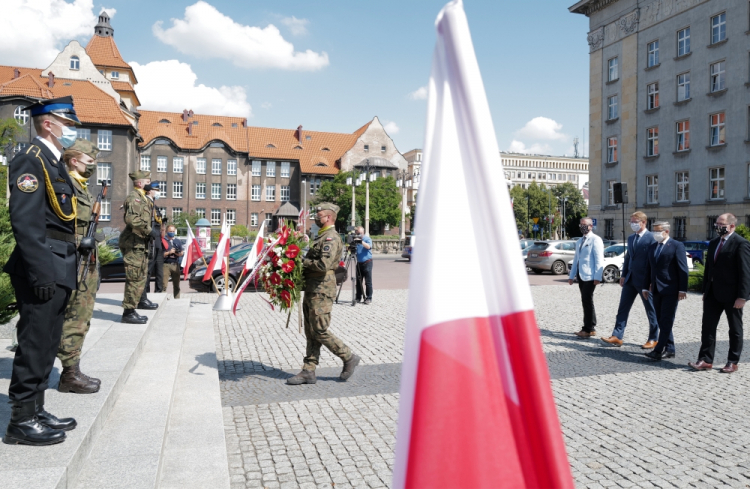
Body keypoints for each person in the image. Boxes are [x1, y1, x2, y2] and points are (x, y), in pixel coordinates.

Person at [3, 96, 81, 446]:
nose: (71, 130)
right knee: (34, 342)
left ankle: (36, 409)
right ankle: (20, 421)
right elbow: (25, 221)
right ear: (48, 123)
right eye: (67, 123)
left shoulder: (54, 163)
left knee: (48, 341)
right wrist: (40, 271)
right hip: (44, 263)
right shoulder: (30, 159)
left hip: (60, 260)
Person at [287, 203, 360, 385]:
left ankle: (348, 356)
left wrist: (302, 261)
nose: (316, 218)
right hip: (313, 288)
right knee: (311, 332)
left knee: (319, 329)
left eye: (319, 216)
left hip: (322, 288)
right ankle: (308, 371)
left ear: (328, 218)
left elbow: (323, 265)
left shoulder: (331, 238)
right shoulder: (321, 237)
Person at [57, 139, 102, 394]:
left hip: (86, 259)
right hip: (75, 260)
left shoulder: (82, 187)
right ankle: (69, 374)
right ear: (74, 160)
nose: (93, 166)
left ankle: (72, 369)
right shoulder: (67, 186)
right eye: (90, 161)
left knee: (82, 317)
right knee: (75, 315)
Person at [689, 213, 750, 373]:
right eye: (716, 223)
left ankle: (732, 361)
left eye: (721, 224)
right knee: (707, 328)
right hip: (713, 294)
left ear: (731, 226)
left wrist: (742, 296)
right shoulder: (714, 242)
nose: (718, 226)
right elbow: (709, 268)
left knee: (735, 329)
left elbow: (745, 272)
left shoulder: (741, 243)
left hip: (732, 295)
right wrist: (705, 290)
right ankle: (705, 359)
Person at [601, 212, 661, 348]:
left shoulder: (651, 238)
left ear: (643, 222)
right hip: (630, 279)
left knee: (651, 310)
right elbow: (629, 257)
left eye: (635, 222)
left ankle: (653, 338)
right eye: (631, 221)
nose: (632, 224)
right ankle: (617, 336)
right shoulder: (631, 238)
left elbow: (654, 261)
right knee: (623, 308)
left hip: (645, 280)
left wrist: (652, 280)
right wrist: (623, 275)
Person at [642, 222, 689, 361]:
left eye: (658, 231)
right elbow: (648, 268)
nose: (655, 234)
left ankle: (658, 350)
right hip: (656, 288)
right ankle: (670, 349)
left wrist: (682, 289)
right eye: (654, 231)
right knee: (661, 320)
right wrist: (645, 286)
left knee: (667, 320)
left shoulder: (676, 245)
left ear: (666, 231)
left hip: (671, 289)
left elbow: (683, 269)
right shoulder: (652, 247)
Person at [120, 171, 156, 324]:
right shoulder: (134, 198)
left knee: (140, 276)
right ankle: (128, 312)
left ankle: (139, 301)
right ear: (140, 183)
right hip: (133, 243)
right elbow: (131, 219)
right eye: (148, 181)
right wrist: (149, 230)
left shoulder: (142, 198)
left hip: (140, 244)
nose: (150, 183)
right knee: (134, 277)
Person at [568, 218, 604, 338]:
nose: (582, 227)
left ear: (590, 226)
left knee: (586, 300)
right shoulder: (579, 241)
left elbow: (599, 259)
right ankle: (591, 326)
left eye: (585, 225)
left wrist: (597, 277)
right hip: (581, 275)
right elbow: (576, 260)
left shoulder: (595, 239)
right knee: (587, 301)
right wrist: (571, 275)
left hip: (590, 275)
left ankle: (587, 329)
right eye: (581, 224)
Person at [142, 182, 164, 295]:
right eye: (156, 190)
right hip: (151, 240)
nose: (158, 192)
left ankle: (159, 292)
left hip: (158, 240)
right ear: (150, 190)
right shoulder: (146, 203)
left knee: (159, 269)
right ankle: (145, 293)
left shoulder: (154, 205)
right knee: (149, 267)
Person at [163, 224, 184, 298]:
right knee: (164, 285)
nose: (172, 232)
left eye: (173, 231)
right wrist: (169, 252)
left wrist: (178, 253)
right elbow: (160, 255)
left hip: (175, 264)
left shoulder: (177, 241)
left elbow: (181, 253)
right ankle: (163, 299)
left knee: (177, 285)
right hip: (166, 264)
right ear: (166, 231)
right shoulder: (163, 241)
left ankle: (177, 300)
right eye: (170, 231)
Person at [354, 225, 373, 304]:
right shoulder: (355, 240)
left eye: (360, 233)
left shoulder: (367, 239)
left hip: (367, 262)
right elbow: (352, 249)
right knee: (358, 281)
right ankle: (358, 297)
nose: (359, 235)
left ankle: (369, 297)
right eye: (357, 233)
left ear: (363, 232)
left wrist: (361, 242)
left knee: (368, 282)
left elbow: (368, 247)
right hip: (359, 263)